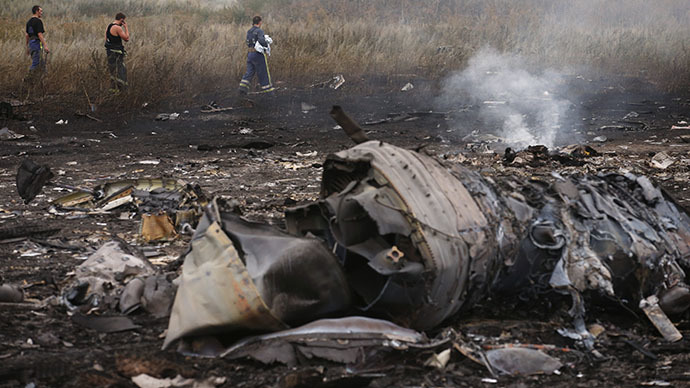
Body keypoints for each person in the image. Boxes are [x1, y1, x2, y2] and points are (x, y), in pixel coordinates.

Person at [238, 16, 274, 95]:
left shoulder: (249, 31)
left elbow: (248, 42)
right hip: (258, 54)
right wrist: (266, 44)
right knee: (263, 73)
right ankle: (268, 93)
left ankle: (242, 88)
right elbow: (261, 40)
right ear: (260, 22)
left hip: (250, 54)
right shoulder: (259, 31)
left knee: (250, 71)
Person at [105, 13, 129, 92]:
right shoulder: (117, 28)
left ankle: (114, 91)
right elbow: (126, 38)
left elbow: (106, 39)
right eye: (123, 21)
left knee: (113, 72)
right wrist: (126, 27)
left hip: (109, 53)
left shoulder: (109, 26)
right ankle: (123, 91)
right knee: (121, 72)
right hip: (117, 54)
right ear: (122, 20)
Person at [25, 5, 49, 82]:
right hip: (36, 43)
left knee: (42, 64)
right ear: (37, 11)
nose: (41, 13)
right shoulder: (38, 21)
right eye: (40, 11)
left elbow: (27, 35)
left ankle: (43, 81)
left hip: (31, 44)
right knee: (36, 63)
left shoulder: (29, 22)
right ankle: (27, 79)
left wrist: (28, 47)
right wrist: (45, 45)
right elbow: (39, 34)